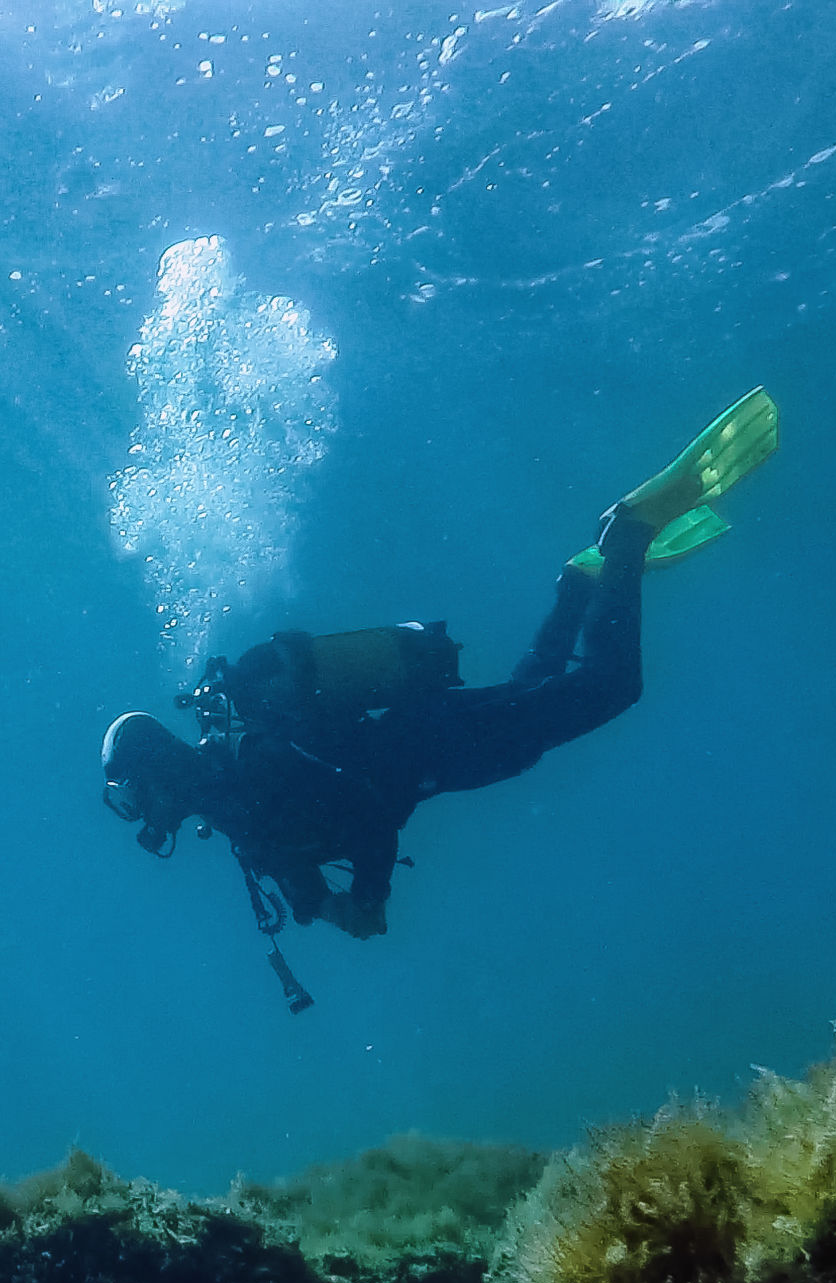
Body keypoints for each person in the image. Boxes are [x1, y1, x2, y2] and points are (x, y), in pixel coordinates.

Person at [101, 387, 779, 957]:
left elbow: (364, 814)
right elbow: (290, 859)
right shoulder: (231, 800)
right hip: (437, 747)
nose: (144, 818)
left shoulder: (250, 765)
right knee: (530, 702)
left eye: (134, 798)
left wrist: (367, 894)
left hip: (434, 744)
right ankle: (577, 585)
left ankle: (626, 534)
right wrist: (330, 909)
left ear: (155, 770)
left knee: (611, 688)